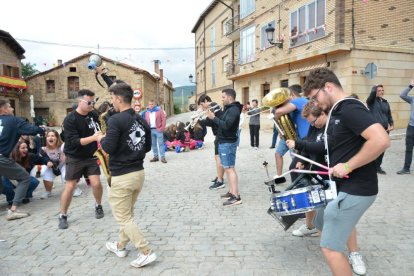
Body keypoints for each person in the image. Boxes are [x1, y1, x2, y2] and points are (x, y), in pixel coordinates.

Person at [303, 68, 390, 276]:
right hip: (342, 186)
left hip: (357, 188)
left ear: (328, 87)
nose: (315, 104)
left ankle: (349, 252)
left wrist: (348, 165)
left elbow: (381, 140)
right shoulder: (336, 112)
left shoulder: (348, 108)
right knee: (321, 220)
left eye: (315, 98)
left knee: (330, 248)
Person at [98, 82, 157, 268]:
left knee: (123, 217)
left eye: (112, 98)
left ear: (117, 98)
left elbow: (108, 147)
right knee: (127, 213)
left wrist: (101, 138)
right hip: (138, 173)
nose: (111, 102)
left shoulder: (115, 120)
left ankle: (146, 251)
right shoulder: (142, 119)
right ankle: (121, 246)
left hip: (122, 175)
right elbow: (147, 147)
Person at [59, 89, 104, 229]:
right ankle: (63, 215)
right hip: (75, 157)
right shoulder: (70, 119)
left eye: (94, 101)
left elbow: (99, 130)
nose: (92, 104)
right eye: (89, 102)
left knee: (96, 183)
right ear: (80, 101)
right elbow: (74, 142)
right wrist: (94, 137)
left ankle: (98, 205)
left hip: (91, 155)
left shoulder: (93, 115)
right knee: (70, 186)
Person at [0, 99, 45, 220]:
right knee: (25, 178)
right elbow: (32, 130)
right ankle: (13, 210)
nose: (12, 109)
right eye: (10, 107)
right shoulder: (13, 121)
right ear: (3, 109)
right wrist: (42, 129)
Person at [207, 88, 243, 206]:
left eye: (223, 97)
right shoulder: (229, 109)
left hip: (227, 142)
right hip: (225, 142)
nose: (222, 99)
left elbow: (226, 125)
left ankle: (236, 197)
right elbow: (223, 121)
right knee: (229, 168)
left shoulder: (233, 110)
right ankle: (232, 192)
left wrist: (214, 118)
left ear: (229, 97)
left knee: (229, 169)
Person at [274, 85, 310, 177]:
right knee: (296, 168)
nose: (284, 101)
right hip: (302, 139)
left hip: (306, 138)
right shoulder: (295, 106)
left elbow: (278, 112)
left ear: (292, 95)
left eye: (285, 98)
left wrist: (276, 119)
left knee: (297, 168)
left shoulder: (299, 100)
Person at [2, 141, 46, 205]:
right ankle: (11, 198)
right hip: (8, 179)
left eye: (26, 147)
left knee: (34, 181)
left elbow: (41, 159)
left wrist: (48, 162)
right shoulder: (8, 158)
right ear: (17, 149)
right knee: (3, 182)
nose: (26, 149)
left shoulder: (29, 156)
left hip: (21, 179)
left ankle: (24, 196)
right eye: (23, 148)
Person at [197, 95, 225, 189]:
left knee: (218, 158)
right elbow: (211, 122)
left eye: (202, 104)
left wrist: (199, 118)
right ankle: (219, 176)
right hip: (220, 135)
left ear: (205, 101)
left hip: (220, 135)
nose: (202, 107)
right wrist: (198, 120)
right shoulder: (213, 107)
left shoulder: (213, 106)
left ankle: (220, 181)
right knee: (219, 157)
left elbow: (211, 121)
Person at [366, 85, 394, 174]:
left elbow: (389, 115)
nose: (381, 92)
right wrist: (374, 87)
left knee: (382, 148)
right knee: (374, 148)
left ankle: (378, 166)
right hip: (376, 129)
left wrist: (392, 124)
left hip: (385, 129)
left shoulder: (385, 102)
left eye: (382, 90)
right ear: (375, 92)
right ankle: (370, 166)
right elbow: (371, 96)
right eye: (379, 90)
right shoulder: (371, 101)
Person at [397, 79, 414, 174]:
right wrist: (410, 86)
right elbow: (402, 95)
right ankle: (406, 168)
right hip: (411, 127)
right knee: (408, 149)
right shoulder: (412, 100)